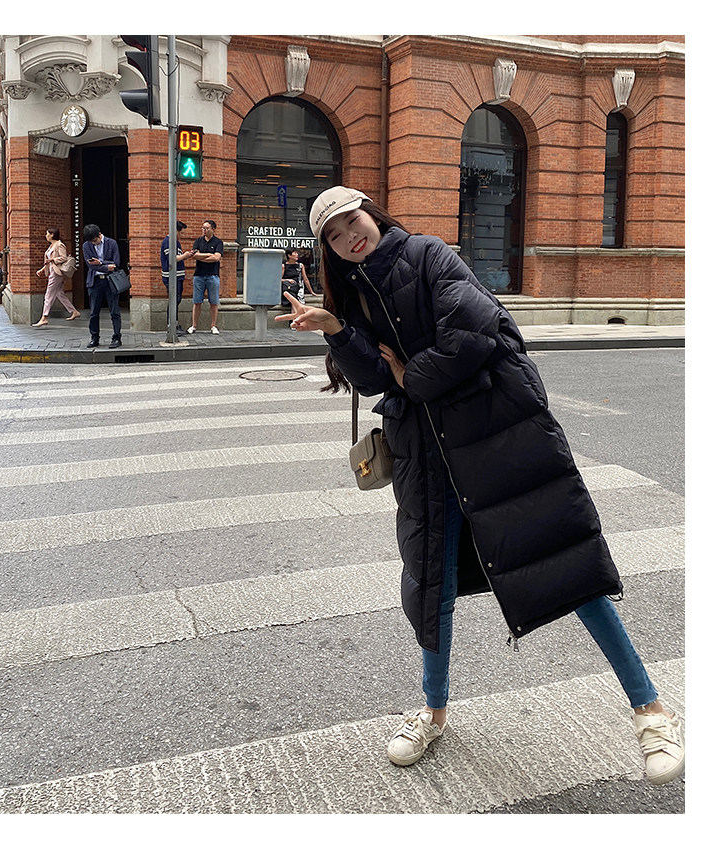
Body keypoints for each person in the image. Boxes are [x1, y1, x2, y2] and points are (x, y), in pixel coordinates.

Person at [276, 185, 685, 786]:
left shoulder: (428, 254)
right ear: (327, 251)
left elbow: (472, 336)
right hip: (425, 454)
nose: (348, 238)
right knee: (431, 583)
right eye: (333, 237)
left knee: (564, 565)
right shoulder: (355, 292)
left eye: (351, 222)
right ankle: (433, 711)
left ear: (372, 214)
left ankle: (651, 710)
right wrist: (337, 329)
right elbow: (371, 381)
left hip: (496, 440)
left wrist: (409, 377)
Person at [82, 224, 122, 349]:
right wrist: (106, 266)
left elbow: (116, 263)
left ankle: (117, 337)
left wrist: (100, 263)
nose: (94, 243)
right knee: (94, 312)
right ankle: (94, 337)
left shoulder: (112, 243)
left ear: (100, 235)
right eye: (91, 242)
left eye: (95, 240)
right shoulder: (86, 245)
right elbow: (91, 265)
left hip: (110, 281)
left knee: (114, 311)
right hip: (95, 281)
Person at [32, 227, 81, 327]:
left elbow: (64, 258)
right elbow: (48, 262)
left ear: (52, 235)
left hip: (56, 273)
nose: (46, 236)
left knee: (48, 294)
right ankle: (74, 311)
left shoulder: (59, 244)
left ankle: (44, 317)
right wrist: (42, 270)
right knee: (59, 293)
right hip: (51, 271)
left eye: (47, 234)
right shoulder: (51, 246)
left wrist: (53, 260)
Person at [188, 219, 223, 335]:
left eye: (206, 228)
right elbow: (194, 255)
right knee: (197, 302)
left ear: (213, 229)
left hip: (213, 275)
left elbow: (217, 258)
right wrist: (208, 255)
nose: (204, 230)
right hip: (199, 275)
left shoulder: (218, 242)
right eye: (203, 228)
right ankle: (194, 325)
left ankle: (213, 326)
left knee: (214, 302)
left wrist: (201, 257)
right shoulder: (198, 241)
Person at [161, 220, 195, 334]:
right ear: (175, 231)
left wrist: (185, 255)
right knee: (174, 300)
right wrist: (185, 255)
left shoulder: (175, 242)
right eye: (181, 233)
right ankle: (171, 326)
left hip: (177, 276)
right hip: (172, 276)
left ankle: (174, 324)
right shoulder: (168, 242)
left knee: (176, 300)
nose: (182, 235)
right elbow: (172, 258)